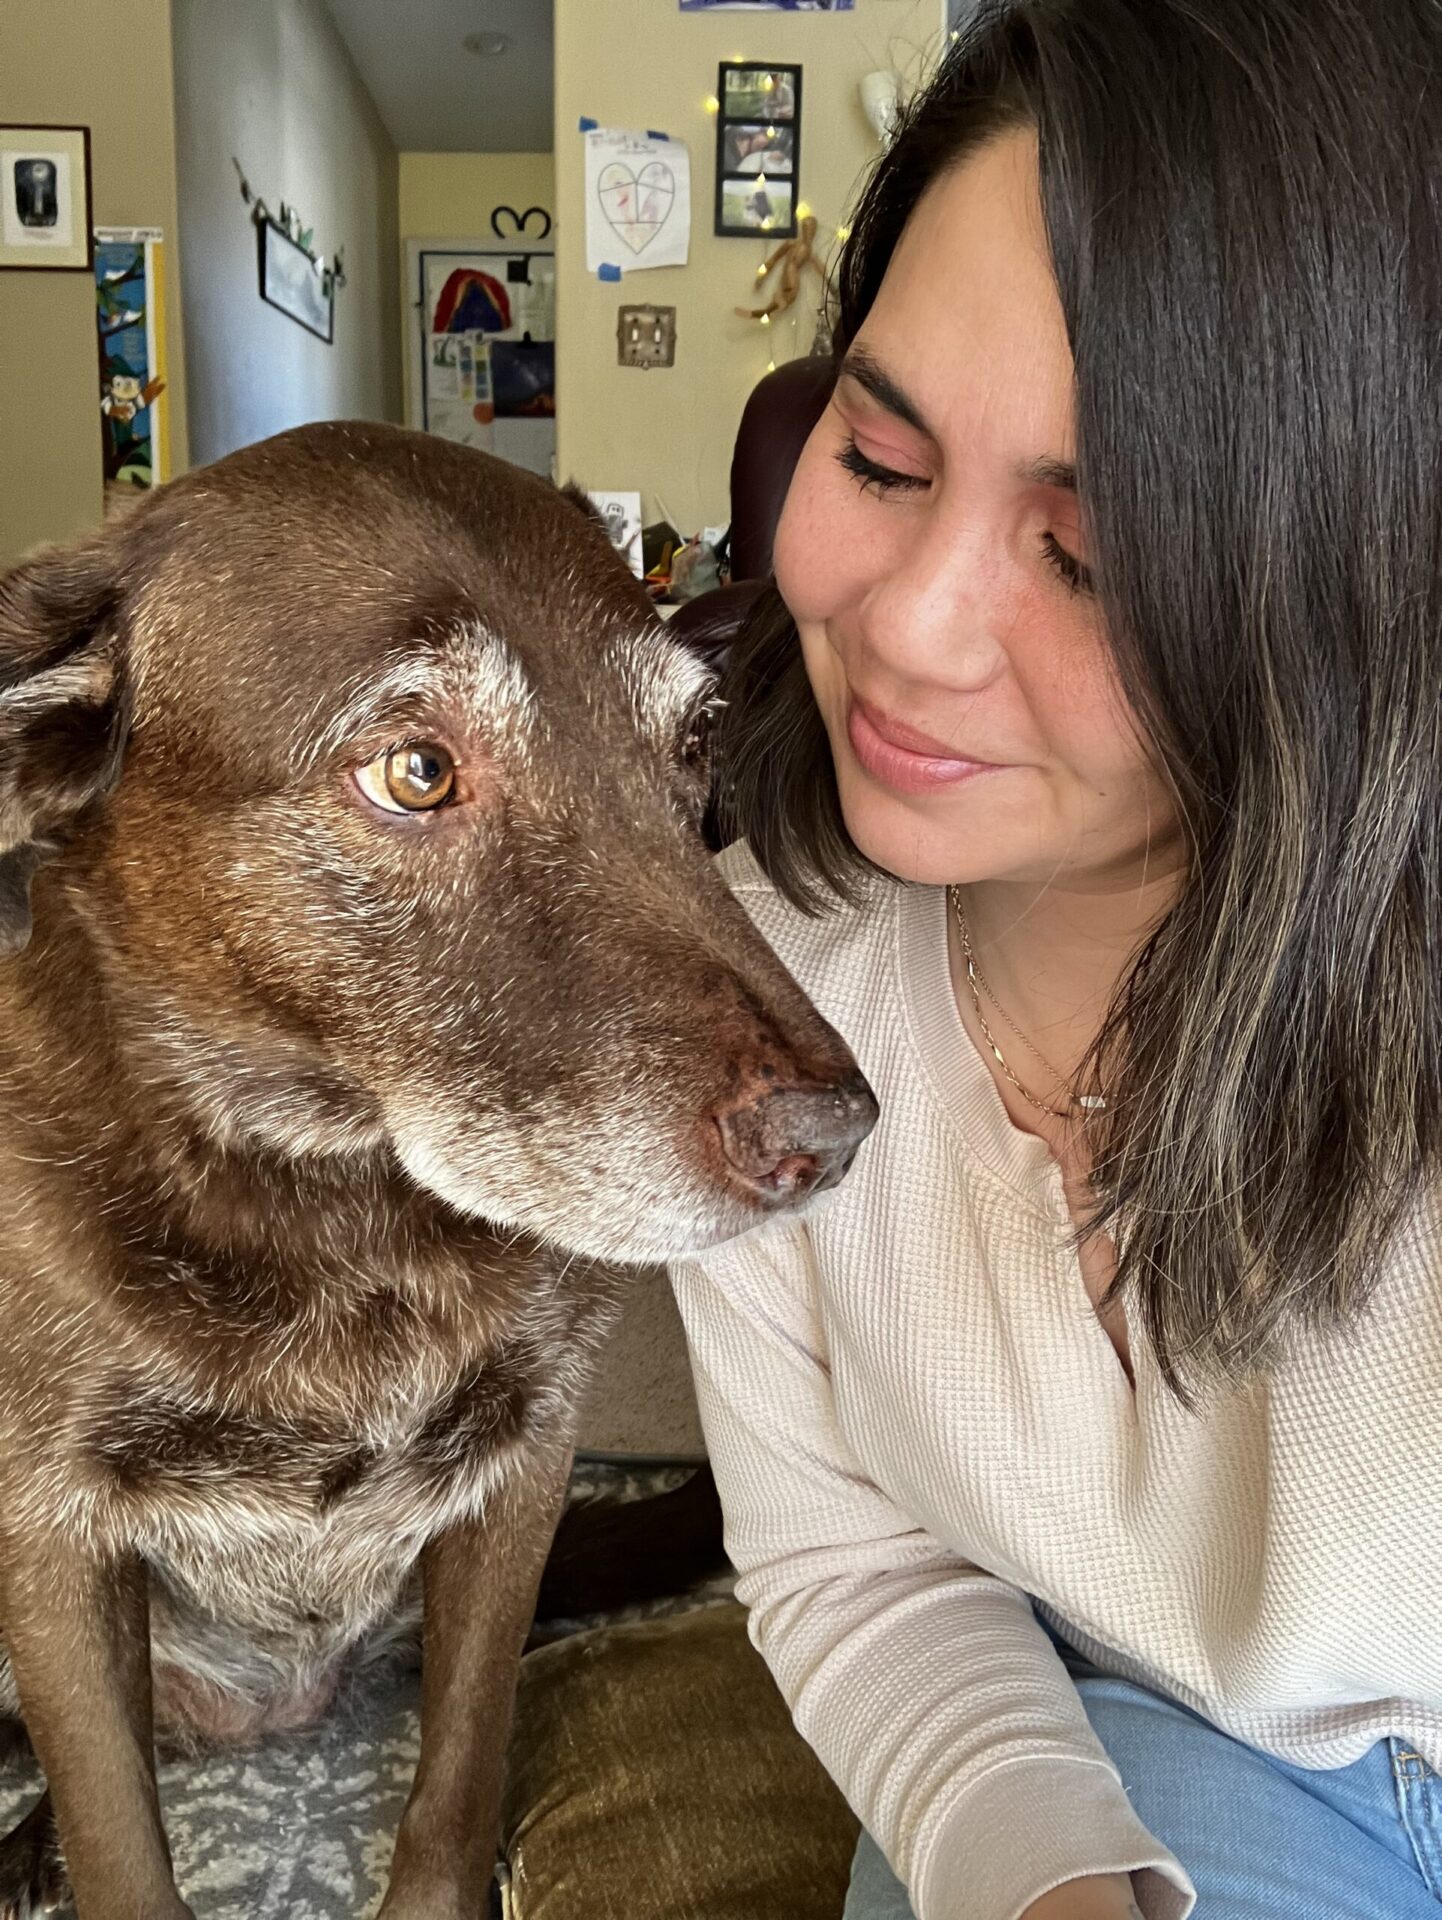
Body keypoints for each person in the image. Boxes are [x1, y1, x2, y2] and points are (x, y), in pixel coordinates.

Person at [667, 3, 1442, 1916]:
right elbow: (856, 1566)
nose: (908, 625)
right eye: (876, 453)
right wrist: (1042, 1879)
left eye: (1083, 560)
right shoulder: (761, 1003)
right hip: (1212, 1764)